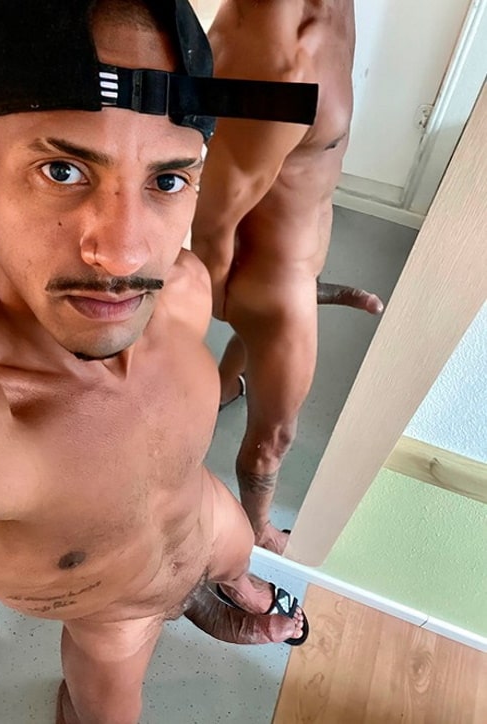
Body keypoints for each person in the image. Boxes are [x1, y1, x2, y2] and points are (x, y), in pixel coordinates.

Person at [0, 1, 312, 722]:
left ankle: (231, 585)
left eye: (167, 181)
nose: (126, 255)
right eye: (62, 170)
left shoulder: (184, 291)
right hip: (113, 613)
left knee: (228, 545)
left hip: (205, 523)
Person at [191, 0, 384, 555]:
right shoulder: (274, 46)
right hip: (274, 290)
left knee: (253, 347)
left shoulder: (336, 10)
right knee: (274, 439)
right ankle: (256, 534)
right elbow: (214, 218)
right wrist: (226, 298)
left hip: (289, 271)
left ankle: (223, 387)